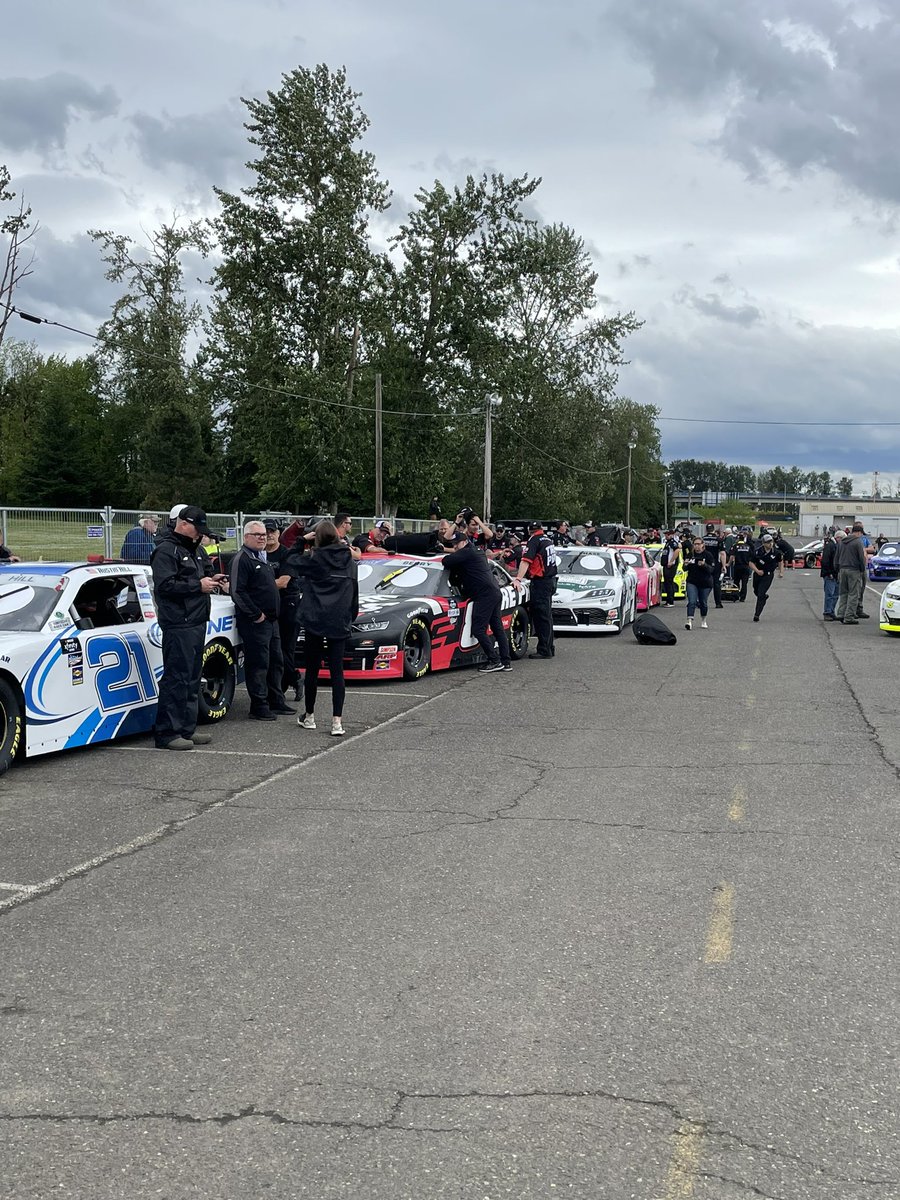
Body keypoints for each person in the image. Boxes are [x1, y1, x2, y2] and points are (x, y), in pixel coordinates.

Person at [151, 505, 228, 750]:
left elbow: (201, 576)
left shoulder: (195, 550)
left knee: (193, 677)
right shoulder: (166, 550)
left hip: (196, 620)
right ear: (183, 523)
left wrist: (212, 580)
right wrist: (198, 585)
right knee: (177, 678)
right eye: (197, 528)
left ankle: (186, 727)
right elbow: (165, 586)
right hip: (178, 623)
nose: (200, 535)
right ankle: (167, 733)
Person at [293, 519, 359, 735]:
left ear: (318, 538)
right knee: (337, 671)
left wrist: (302, 540)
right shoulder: (349, 560)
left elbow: (290, 561)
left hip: (315, 619)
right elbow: (354, 590)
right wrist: (351, 615)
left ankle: (310, 715)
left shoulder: (315, 560)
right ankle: (337, 721)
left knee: (312, 669)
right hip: (339, 619)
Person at [230, 520, 295, 720]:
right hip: (256, 622)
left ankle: (276, 700)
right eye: (257, 534)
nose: (262, 537)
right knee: (258, 664)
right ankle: (258, 706)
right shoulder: (242, 559)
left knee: (276, 661)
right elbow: (237, 591)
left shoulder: (262, 557)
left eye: (264, 534)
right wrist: (256, 614)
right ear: (246, 537)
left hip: (272, 620)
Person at [442, 531, 512, 673]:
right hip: (493, 592)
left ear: (464, 542)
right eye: (453, 545)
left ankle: (494, 660)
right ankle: (506, 662)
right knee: (498, 628)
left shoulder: (467, 552)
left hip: (484, 595)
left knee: (478, 629)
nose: (455, 547)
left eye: (456, 544)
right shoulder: (475, 551)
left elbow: (446, 561)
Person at [264, 519, 304, 700]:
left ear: (279, 533)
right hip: (268, 607)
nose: (269, 534)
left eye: (272, 531)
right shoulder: (258, 555)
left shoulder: (286, 554)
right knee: (272, 650)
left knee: (284, 649)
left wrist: (256, 586)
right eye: (265, 531)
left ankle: (295, 680)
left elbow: (283, 582)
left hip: (288, 606)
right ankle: (279, 686)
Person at [514, 521, 558, 658]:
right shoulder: (547, 540)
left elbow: (526, 560)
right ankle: (549, 647)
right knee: (547, 616)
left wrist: (518, 579)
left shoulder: (534, 541)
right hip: (550, 580)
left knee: (541, 616)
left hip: (541, 582)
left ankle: (544, 650)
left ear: (529, 530)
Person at [835, 523, 870, 625]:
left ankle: (841, 613)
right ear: (858, 532)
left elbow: (836, 557)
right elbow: (861, 558)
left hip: (842, 569)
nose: (861, 536)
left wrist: (837, 569)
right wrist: (862, 570)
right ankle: (849, 616)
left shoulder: (841, 542)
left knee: (843, 593)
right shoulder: (857, 542)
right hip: (853, 570)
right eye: (861, 534)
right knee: (854, 594)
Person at [683, 536, 717, 630]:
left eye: (699, 544)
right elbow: (684, 568)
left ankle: (703, 620)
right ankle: (689, 621)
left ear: (703, 545)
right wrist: (685, 564)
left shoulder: (708, 555)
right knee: (692, 601)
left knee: (703, 603)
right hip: (692, 581)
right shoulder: (690, 554)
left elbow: (712, 569)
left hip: (705, 583)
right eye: (695, 544)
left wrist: (704, 565)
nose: (697, 546)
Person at [749, 533, 784, 622]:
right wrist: (757, 571)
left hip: (768, 575)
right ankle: (764, 597)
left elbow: (780, 561)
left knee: (760, 594)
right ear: (763, 543)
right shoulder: (758, 551)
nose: (770, 544)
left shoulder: (776, 552)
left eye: (771, 542)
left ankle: (757, 614)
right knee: (756, 591)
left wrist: (781, 572)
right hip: (758, 574)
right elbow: (751, 563)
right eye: (768, 542)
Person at [702, 523, 727, 608]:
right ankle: (718, 603)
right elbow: (723, 553)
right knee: (717, 584)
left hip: (704, 564)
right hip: (715, 564)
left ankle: (701, 601)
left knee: (703, 583)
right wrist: (724, 566)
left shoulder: (702, 540)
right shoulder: (719, 540)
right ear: (713, 529)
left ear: (706, 530)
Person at [820, 529, 842, 621]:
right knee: (830, 594)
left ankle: (831, 611)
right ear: (838, 538)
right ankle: (827, 612)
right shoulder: (830, 546)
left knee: (835, 594)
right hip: (830, 574)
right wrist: (829, 573)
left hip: (835, 574)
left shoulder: (835, 546)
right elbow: (825, 560)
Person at [728, 533, 753, 603]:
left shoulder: (735, 546)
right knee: (744, 583)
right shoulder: (748, 546)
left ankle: (736, 595)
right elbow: (751, 556)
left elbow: (732, 556)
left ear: (738, 539)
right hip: (746, 567)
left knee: (736, 582)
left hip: (737, 567)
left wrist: (728, 564)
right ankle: (743, 597)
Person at [660, 528, 681, 607]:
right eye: (665, 534)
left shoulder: (673, 543)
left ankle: (670, 601)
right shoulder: (668, 543)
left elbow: (677, 550)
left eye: (667, 534)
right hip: (666, 565)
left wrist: (671, 561)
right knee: (667, 582)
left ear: (671, 535)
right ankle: (668, 600)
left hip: (670, 566)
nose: (666, 536)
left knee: (669, 582)